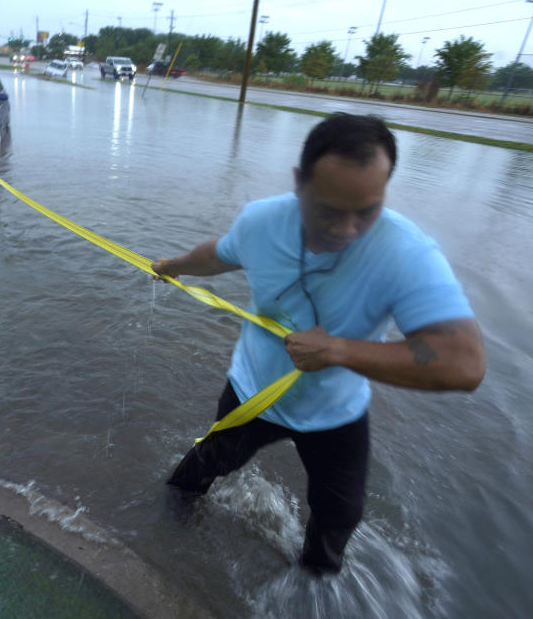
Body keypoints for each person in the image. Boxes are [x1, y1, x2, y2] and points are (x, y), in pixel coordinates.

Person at [152, 112, 485, 575]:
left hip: (337, 411)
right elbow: (220, 253)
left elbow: (465, 361)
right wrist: (173, 265)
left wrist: (339, 351)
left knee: (339, 517)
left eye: (366, 211)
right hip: (255, 392)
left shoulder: (405, 252)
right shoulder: (262, 222)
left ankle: (312, 587)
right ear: (299, 183)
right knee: (200, 469)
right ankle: (163, 542)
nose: (346, 230)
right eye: (328, 210)